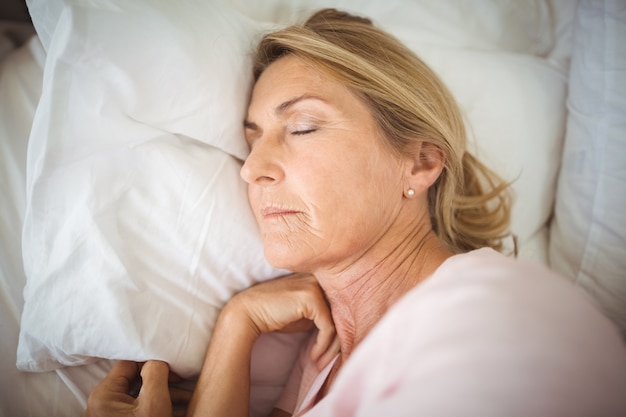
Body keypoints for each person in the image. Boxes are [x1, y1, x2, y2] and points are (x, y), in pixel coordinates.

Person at [84, 8, 626, 417]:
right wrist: (236, 325)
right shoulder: (318, 365)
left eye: (302, 127)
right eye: (252, 141)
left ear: (419, 162)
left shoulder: (500, 319)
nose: (253, 170)